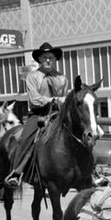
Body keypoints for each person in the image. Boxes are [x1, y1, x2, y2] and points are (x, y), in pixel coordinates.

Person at [4, 42, 69, 188]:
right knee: (27, 138)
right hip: (39, 114)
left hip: (58, 114)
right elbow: (35, 100)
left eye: (51, 57)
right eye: (45, 57)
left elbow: (65, 98)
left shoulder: (62, 78)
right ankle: (17, 172)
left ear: (55, 59)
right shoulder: (32, 76)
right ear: (39, 59)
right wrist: (56, 100)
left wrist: (64, 102)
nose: (48, 60)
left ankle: (87, 171)